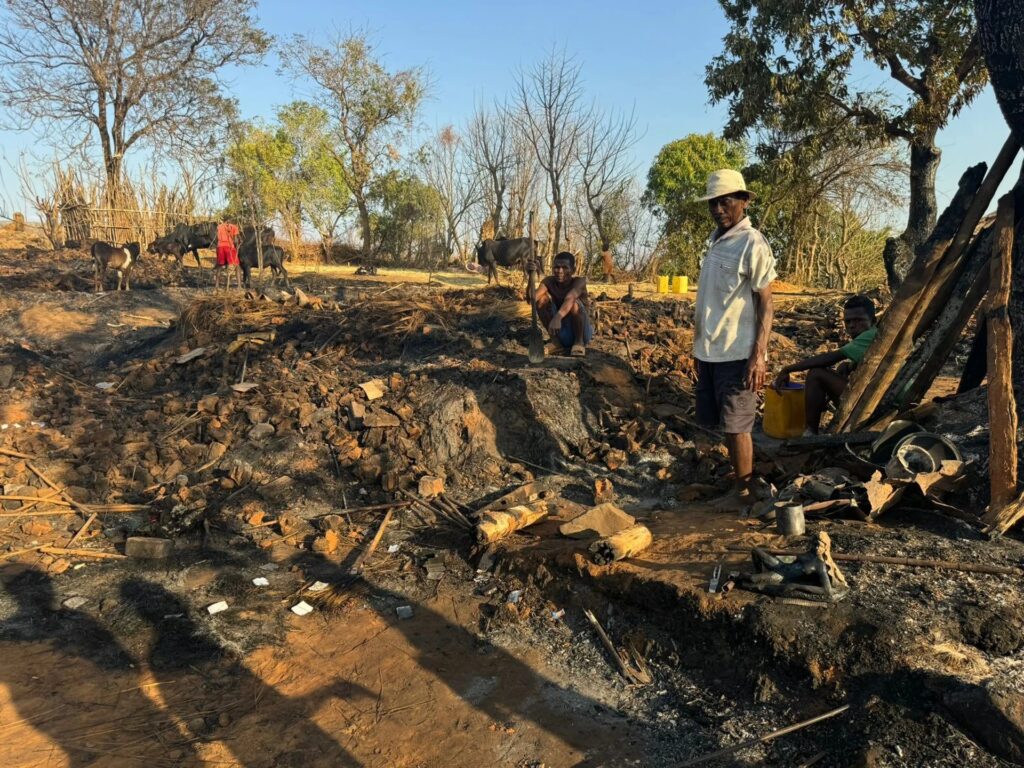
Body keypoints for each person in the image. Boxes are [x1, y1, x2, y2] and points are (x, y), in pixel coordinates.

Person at [693, 169, 776, 510]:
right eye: (714, 203)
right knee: (722, 423)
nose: (718, 209)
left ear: (743, 201)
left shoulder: (751, 242)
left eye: (725, 201)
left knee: (738, 424)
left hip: (737, 353)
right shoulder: (716, 241)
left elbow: (767, 303)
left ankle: (744, 494)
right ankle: (737, 482)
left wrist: (759, 354)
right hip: (709, 351)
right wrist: (697, 350)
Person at [773, 294, 878, 434]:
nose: (852, 325)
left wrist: (788, 369)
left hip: (876, 403)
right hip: (873, 397)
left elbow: (831, 358)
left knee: (816, 374)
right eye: (848, 321)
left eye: (859, 320)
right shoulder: (871, 336)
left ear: (873, 321)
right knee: (844, 367)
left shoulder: (871, 335)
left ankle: (810, 433)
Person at [532, 251, 593, 356]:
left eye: (565, 267)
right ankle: (556, 343)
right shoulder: (549, 281)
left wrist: (557, 317)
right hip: (559, 330)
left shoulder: (579, 282)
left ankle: (578, 343)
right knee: (541, 300)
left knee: (574, 303)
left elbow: (570, 297)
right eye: (556, 267)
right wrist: (530, 275)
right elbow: (532, 299)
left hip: (581, 332)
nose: (560, 271)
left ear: (573, 270)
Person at [215, 217, 241, 289]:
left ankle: (216, 285)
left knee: (219, 266)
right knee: (237, 266)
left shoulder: (219, 227)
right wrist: (237, 244)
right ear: (230, 220)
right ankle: (239, 286)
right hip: (229, 247)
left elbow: (217, 237)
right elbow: (235, 240)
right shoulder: (234, 227)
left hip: (220, 247)